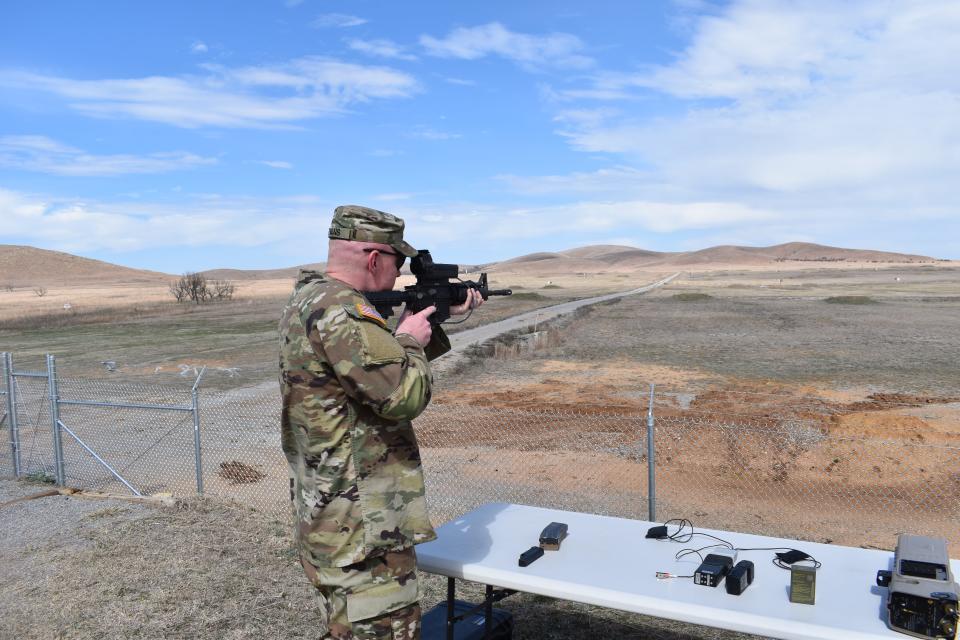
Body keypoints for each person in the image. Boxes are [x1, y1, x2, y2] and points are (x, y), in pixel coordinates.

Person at [279, 205, 482, 639]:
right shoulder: (345, 312)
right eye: (398, 263)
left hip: (333, 511)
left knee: (348, 626)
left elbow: (366, 377)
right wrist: (408, 337)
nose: (399, 274)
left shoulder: (310, 298)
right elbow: (401, 395)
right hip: (362, 525)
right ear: (375, 259)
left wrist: (433, 318)